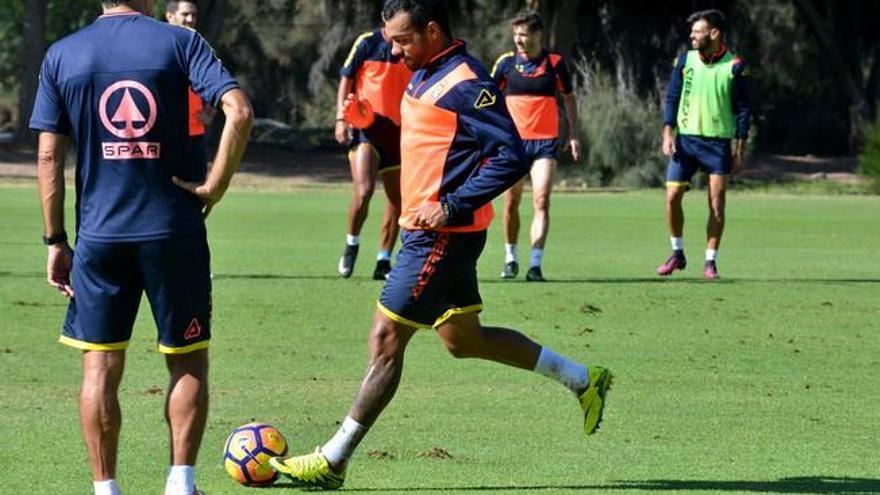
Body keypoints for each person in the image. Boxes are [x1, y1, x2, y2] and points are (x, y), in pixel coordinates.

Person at [268, 0, 612, 489]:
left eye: (402, 39)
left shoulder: (467, 82)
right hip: (427, 231)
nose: (393, 47)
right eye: (390, 38)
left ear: (432, 31)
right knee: (463, 340)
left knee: (386, 339)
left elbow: (510, 154)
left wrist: (451, 205)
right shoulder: (422, 71)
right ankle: (582, 379)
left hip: (439, 236)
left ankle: (333, 459)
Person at [29, 1, 253, 495]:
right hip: (173, 230)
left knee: (100, 364)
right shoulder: (181, 42)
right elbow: (239, 110)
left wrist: (55, 240)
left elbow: (48, 154)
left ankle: (105, 489)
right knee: (187, 357)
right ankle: (180, 483)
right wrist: (215, 185)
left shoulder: (62, 54)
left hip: (99, 236)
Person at [657, 9, 750, 280]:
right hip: (685, 142)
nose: (692, 35)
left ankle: (710, 261)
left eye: (698, 31)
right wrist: (667, 132)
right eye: (692, 31)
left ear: (714, 33)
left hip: (718, 144)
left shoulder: (735, 66)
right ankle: (677, 253)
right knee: (672, 197)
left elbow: (743, 110)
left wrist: (739, 151)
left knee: (717, 204)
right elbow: (673, 97)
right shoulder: (684, 60)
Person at [490, 11, 580, 282]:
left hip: (544, 143)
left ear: (538, 35)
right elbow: (488, 97)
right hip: (513, 144)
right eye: (516, 34)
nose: (519, 39)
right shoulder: (505, 64)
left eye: (524, 34)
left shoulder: (555, 63)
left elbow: (569, 99)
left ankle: (535, 265)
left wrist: (574, 134)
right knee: (511, 202)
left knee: (541, 199)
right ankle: (510, 258)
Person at [335, 26, 411, 280]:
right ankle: (352, 244)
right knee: (364, 190)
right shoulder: (367, 42)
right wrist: (340, 119)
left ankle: (383, 261)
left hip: (399, 132)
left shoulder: (413, 45)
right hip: (366, 127)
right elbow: (346, 77)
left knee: (397, 201)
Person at [165, 0, 217, 175]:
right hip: (164, 136)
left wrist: (210, 111)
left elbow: (217, 85)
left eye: (193, 15)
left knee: (195, 193)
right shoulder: (158, 47)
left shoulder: (200, 49)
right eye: (185, 14)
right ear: (169, 16)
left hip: (194, 135)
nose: (190, 19)